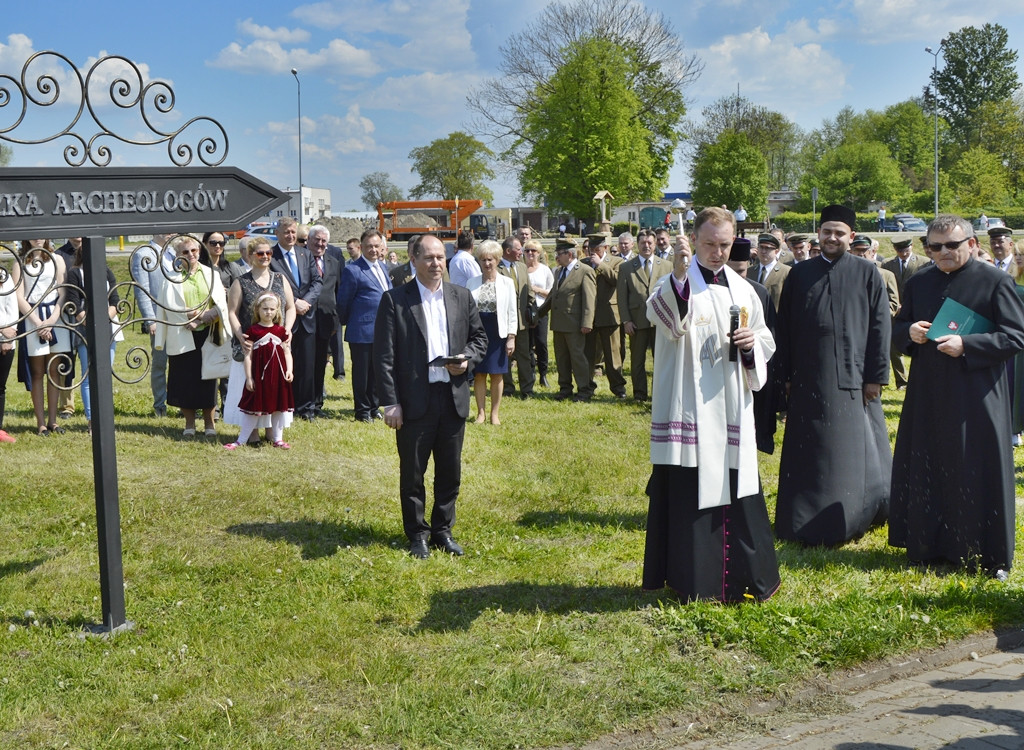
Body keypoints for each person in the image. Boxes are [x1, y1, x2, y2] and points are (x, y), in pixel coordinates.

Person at [642, 207, 780, 602]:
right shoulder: (677, 282)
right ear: (695, 241)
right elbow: (664, 316)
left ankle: (745, 578)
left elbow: (766, 341)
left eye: (724, 245)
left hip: (732, 406)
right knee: (688, 492)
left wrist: (752, 345)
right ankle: (693, 580)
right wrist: (681, 274)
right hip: (690, 408)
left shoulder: (745, 289)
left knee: (739, 491)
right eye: (709, 244)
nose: (717, 253)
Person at [889, 214, 1024, 579]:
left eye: (953, 245)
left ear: (972, 244)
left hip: (977, 393)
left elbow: (1015, 337)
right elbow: (899, 327)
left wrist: (968, 344)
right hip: (929, 393)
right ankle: (929, 546)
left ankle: (985, 551)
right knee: (930, 463)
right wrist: (909, 333)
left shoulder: (995, 281)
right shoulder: (919, 281)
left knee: (975, 468)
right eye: (935, 246)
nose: (944, 252)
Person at [775, 204, 892, 547]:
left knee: (852, 452)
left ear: (851, 237)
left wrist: (876, 376)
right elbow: (786, 328)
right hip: (808, 378)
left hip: (854, 380)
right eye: (826, 232)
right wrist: (786, 374)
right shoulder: (799, 274)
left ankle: (855, 514)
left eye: (839, 233)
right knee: (808, 453)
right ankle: (800, 519)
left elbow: (879, 327)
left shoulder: (867, 272)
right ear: (819, 235)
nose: (832, 238)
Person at [374, 234, 488, 559]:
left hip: (452, 397)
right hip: (413, 402)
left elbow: (480, 338)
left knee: (450, 471)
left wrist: (466, 358)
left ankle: (442, 531)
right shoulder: (395, 300)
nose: (436, 263)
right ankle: (417, 535)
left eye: (440, 257)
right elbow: (384, 356)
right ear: (413, 260)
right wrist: (390, 401)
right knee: (412, 472)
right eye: (429, 257)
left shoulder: (461, 296)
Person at [154, 235, 231, 437]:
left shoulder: (210, 273)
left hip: (208, 333)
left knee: (208, 379)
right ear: (178, 255)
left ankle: (209, 424)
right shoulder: (170, 277)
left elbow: (221, 302)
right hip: (182, 332)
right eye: (185, 252)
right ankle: (189, 424)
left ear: (199, 252)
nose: (190, 255)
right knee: (184, 379)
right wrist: (194, 316)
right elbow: (168, 305)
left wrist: (206, 317)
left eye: (194, 251)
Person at [225, 235, 296, 442]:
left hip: (276, 345)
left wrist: (288, 330)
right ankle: (252, 433)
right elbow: (232, 311)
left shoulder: (281, 279)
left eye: (268, 253)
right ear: (249, 256)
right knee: (251, 387)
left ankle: (272, 431)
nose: (265, 256)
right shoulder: (241, 282)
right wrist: (240, 335)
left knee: (274, 387)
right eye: (260, 253)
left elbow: (291, 307)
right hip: (251, 345)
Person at [13, 240, 70, 436]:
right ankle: (41, 423)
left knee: (54, 370)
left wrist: (53, 320)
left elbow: (63, 292)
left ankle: (53, 420)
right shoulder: (20, 262)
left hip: (56, 318)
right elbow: (19, 296)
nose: (38, 238)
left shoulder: (58, 260)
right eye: (33, 235)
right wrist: (38, 323)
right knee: (37, 372)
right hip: (32, 319)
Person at [225, 291, 294, 451]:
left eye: (272, 309)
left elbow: (286, 352)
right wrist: (249, 378)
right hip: (259, 377)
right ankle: (241, 440)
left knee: (278, 407)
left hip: (278, 376)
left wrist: (289, 370)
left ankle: (278, 439)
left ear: (277, 310)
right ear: (258, 310)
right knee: (253, 408)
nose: (268, 312)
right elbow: (248, 356)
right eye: (265, 309)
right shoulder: (253, 331)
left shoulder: (281, 331)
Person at [65, 241, 122, 435]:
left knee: (105, 375)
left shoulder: (106, 272)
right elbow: (73, 303)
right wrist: (90, 322)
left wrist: (106, 317)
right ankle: (92, 421)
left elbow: (115, 299)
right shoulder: (74, 273)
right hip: (85, 331)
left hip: (108, 328)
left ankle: (105, 419)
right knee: (89, 376)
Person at [270, 216, 322, 420]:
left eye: (293, 232)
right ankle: (285, 406)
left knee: (307, 366)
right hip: (283, 320)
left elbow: (317, 282)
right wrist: (294, 302)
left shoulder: (305, 254)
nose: (291, 236)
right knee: (283, 365)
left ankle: (306, 408)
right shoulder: (270, 256)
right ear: (278, 234)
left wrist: (305, 302)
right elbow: (271, 286)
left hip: (307, 318)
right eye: (286, 232)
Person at [337, 228, 391, 422]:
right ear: (361, 247)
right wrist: (350, 322)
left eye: (377, 246)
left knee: (377, 372)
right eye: (369, 246)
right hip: (361, 330)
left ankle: (374, 406)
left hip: (383, 331)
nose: (374, 250)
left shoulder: (383, 267)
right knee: (362, 374)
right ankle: (362, 411)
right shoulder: (353, 270)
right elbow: (343, 301)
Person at [536, 238, 596, 401]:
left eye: (559, 254)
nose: (556, 257)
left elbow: (589, 299)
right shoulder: (559, 271)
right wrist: (538, 314)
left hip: (575, 325)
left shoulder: (584, 271)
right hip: (559, 324)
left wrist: (586, 322)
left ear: (569, 254)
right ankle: (565, 388)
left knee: (577, 358)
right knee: (561, 358)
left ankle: (584, 389)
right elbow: (553, 296)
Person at [466, 241, 517, 424]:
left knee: (497, 374)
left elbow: (512, 311)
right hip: (478, 333)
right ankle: (481, 413)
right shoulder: (471, 282)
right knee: (479, 373)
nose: (486, 264)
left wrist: (511, 337)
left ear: (497, 260)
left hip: (498, 333)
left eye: (490, 260)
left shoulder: (507, 283)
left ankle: (495, 414)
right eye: (483, 260)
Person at [617, 228, 670, 401]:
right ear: (637, 245)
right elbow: (622, 297)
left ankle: (659, 394)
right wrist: (626, 320)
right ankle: (639, 394)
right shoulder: (626, 267)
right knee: (637, 361)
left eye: (649, 243)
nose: (646, 246)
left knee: (660, 361)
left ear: (655, 245)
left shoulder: (667, 266)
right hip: (637, 321)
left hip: (660, 322)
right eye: (642, 243)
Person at [130, 232, 173, 416]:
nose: (170, 233)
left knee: (180, 365)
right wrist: (150, 319)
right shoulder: (143, 253)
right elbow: (142, 290)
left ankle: (181, 402)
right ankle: (160, 406)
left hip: (179, 318)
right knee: (160, 364)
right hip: (158, 318)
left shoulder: (174, 252)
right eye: (166, 229)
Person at [583, 234, 627, 399]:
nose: (593, 253)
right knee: (588, 355)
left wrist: (601, 265)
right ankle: (586, 387)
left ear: (605, 248)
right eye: (590, 250)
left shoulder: (617, 262)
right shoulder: (584, 264)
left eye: (597, 250)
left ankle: (618, 388)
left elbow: (618, 280)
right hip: (589, 316)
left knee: (613, 355)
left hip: (609, 315)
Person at [882, 237, 928, 389]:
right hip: (895, 311)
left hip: (916, 310)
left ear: (912, 247)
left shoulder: (923, 262)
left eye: (906, 249)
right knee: (894, 347)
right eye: (899, 250)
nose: (903, 253)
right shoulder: (888, 264)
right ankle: (902, 381)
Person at [308, 225, 342, 417]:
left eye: (323, 241)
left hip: (326, 320)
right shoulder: (302, 260)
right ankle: (302, 402)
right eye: (316, 240)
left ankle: (317, 404)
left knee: (321, 362)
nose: (320, 244)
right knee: (304, 363)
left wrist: (336, 321)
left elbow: (338, 292)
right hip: (305, 319)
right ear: (309, 241)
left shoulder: (333, 262)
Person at [498, 236, 536, 398]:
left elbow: (529, 292)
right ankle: (507, 388)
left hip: (522, 322)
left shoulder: (522, 267)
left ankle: (527, 389)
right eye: (519, 249)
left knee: (524, 355)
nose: (522, 252)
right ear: (508, 251)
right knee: (504, 356)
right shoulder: (496, 268)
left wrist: (533, 312)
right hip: (503, 322)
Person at [523, 239, 554, 388]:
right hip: (525, 311)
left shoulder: (544, 270)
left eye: (533, 251)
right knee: (528, 344)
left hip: (541, 311)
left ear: (539, 253)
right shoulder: (521, 269)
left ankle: (543, 374)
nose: (530, 253)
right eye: (527, 250)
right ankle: (531, 372)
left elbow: (552, 292)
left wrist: (536, 290)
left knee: (541, 343)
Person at [0, 257, 19, 443]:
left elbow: (12, 306)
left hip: (6, 339)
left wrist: (7, 336)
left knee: (0, 386)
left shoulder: (4, 276)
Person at [751, 233, 790, 311]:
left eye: (768, 248)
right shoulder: (750, 271)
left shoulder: (786, 272)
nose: (763, 251)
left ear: (776, 251)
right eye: (761, 247)